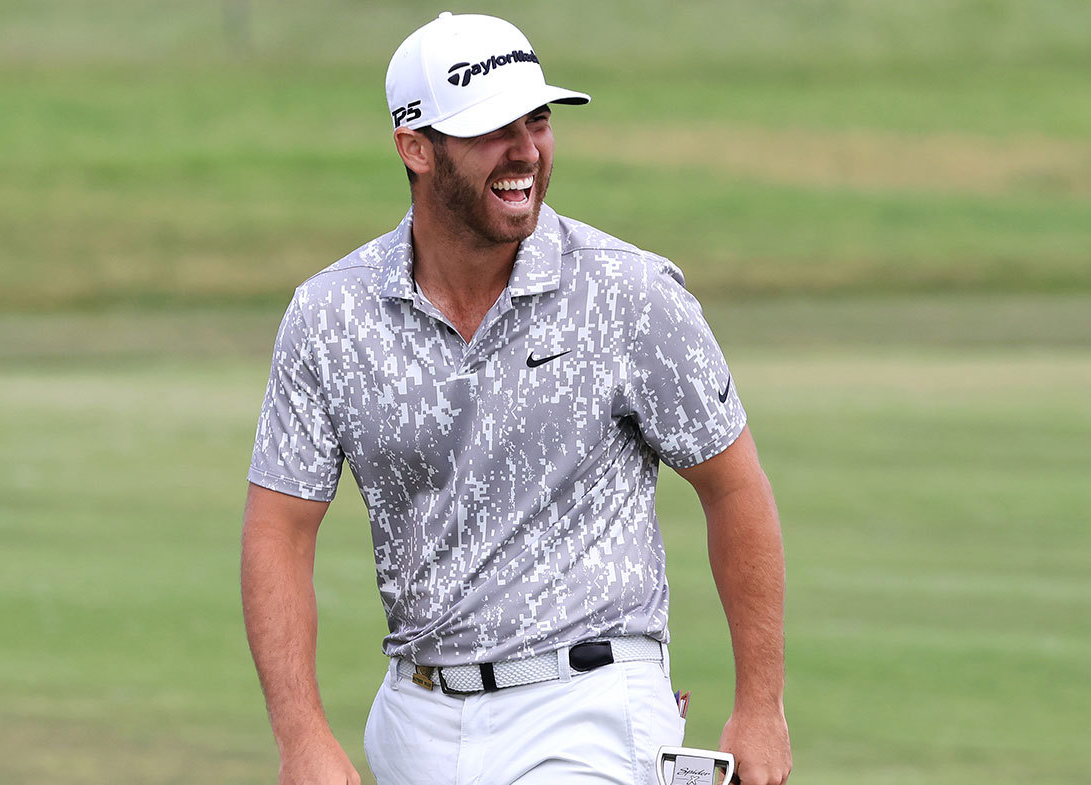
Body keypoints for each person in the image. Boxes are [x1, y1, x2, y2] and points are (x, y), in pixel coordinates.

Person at [240, 12, 790, 785]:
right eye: (492, 127)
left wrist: (761, 704)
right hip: (415, 715)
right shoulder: (330, 317)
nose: (526, 149)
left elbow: (734, 486)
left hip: (593, 705)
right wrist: (301, 736)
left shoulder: (629, 294)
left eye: (537, 119)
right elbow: (278, 530)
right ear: (415, 147)